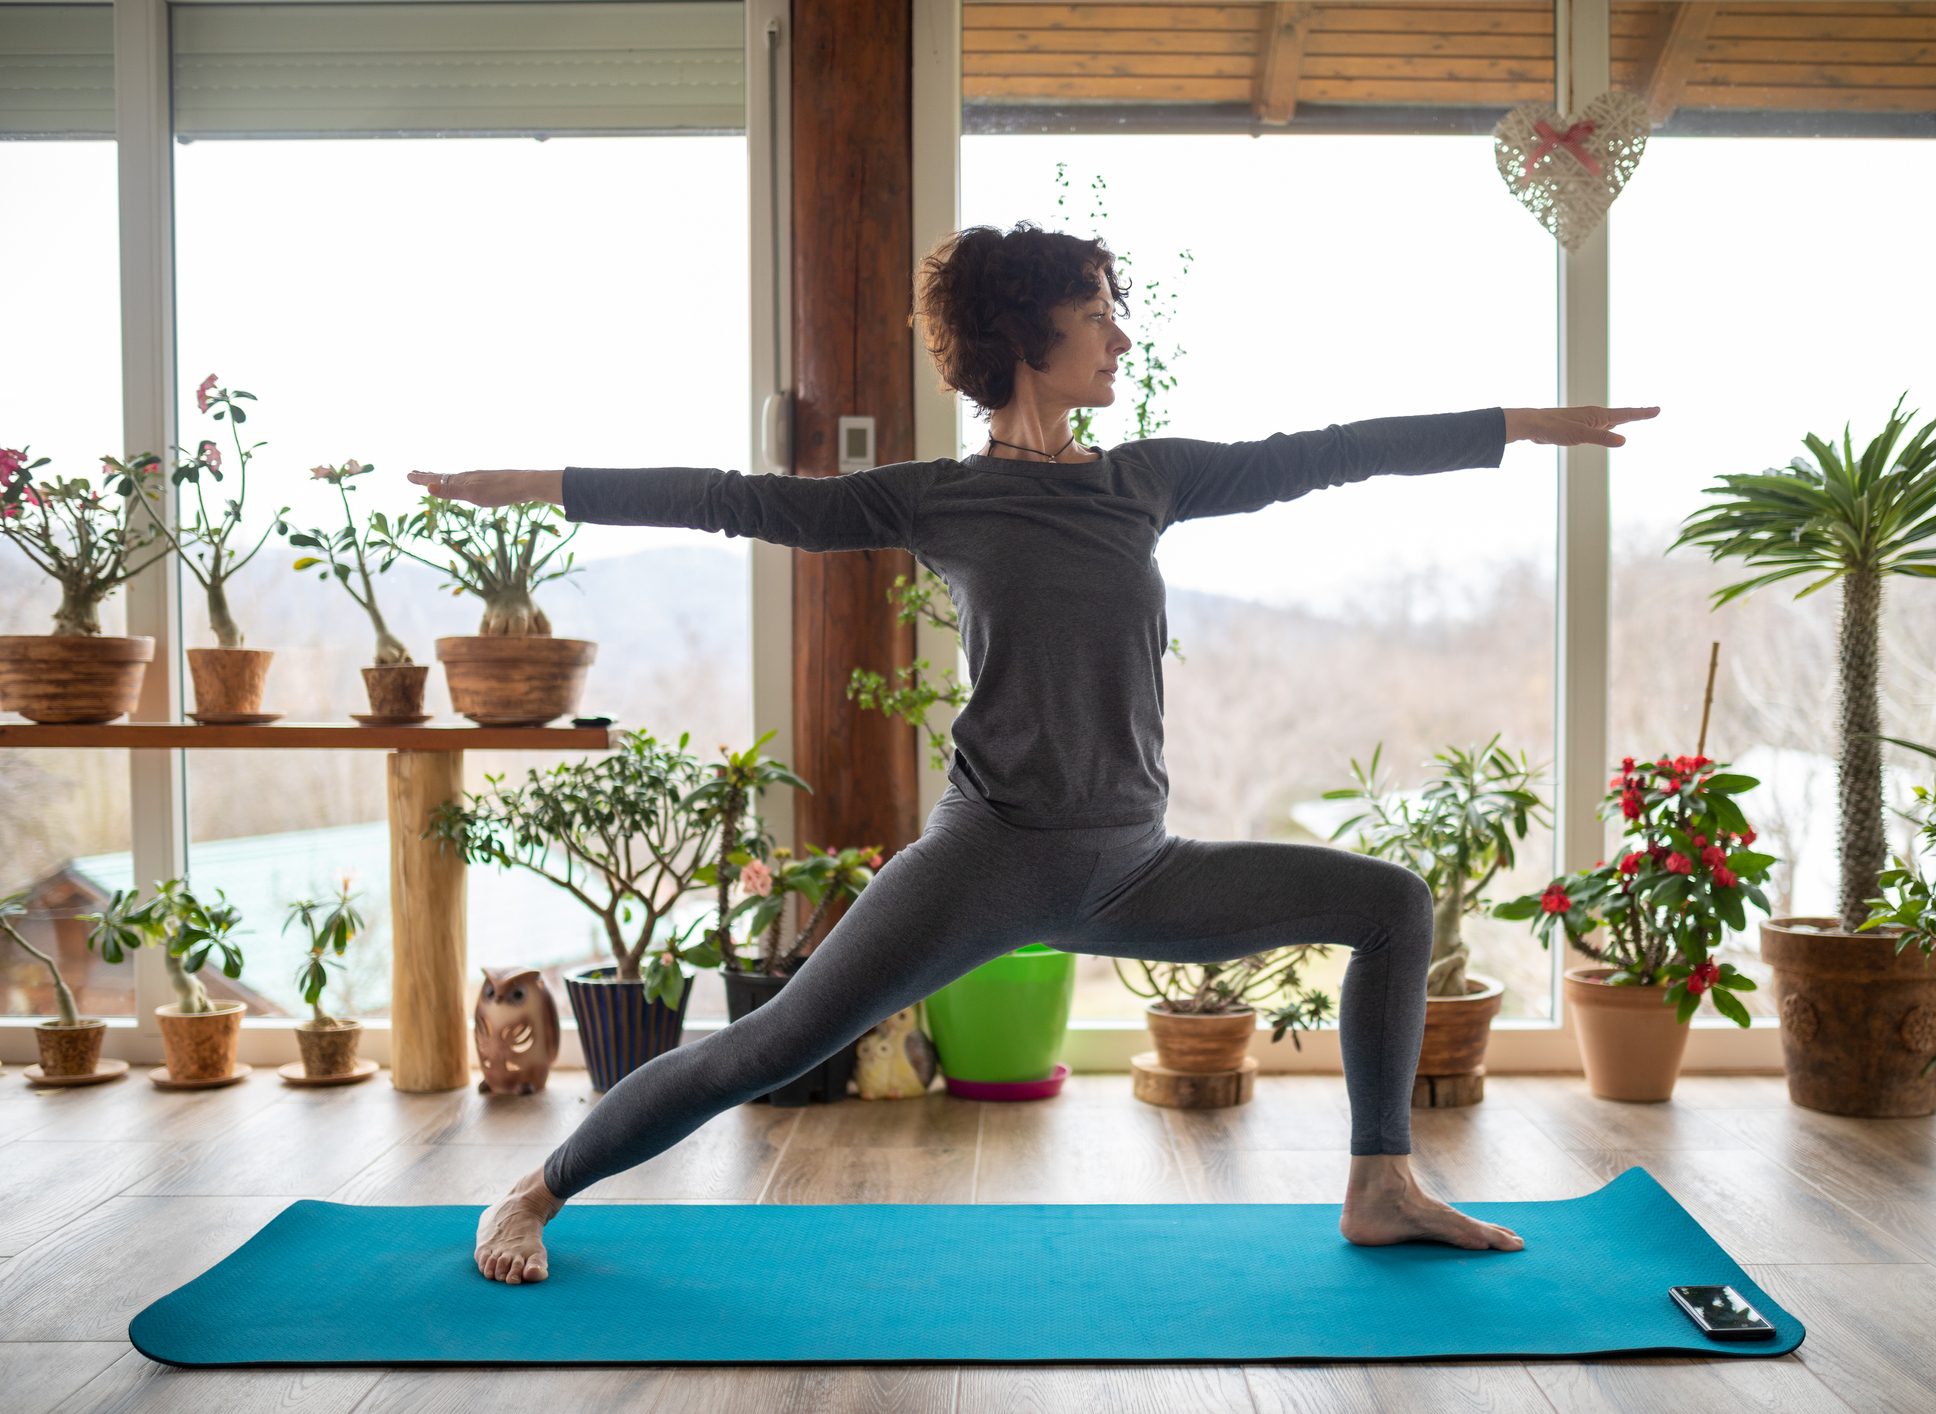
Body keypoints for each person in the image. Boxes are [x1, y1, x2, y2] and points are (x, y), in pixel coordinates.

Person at [409, 221, 1658, 1285]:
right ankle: (534, 1189)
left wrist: (1516, 422)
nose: (1121, 338)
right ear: (1026, 337)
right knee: (767, 1044)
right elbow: (740, 497)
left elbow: (1323, 455)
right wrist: (539, 482)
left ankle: (1381, 1183)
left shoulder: (1144, 479)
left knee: (1387, 902)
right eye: (1099, 313)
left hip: (1136, 864)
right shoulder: (935, 496)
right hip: (986, 858)